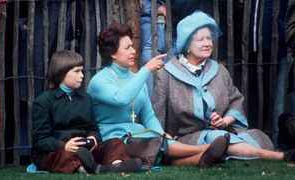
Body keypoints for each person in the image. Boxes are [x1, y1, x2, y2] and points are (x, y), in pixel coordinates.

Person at [152, 11, 295, 161]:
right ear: (187, 44)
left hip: (225, 131)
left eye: (209, 38)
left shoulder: (219, 70)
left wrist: (224, 120)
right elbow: (157, 115)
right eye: (201, 39)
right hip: (188, 139)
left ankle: (228, 152)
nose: (207, 43)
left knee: (259, 137)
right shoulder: (167, 75)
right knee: (219, 137)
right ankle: (280, 156)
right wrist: (163, 145)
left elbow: (236, 99)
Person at [87, 22, 230, 168]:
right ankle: (206, 149)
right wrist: (146, 70)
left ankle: (203, 158)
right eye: (127, 47)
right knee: (160, 145)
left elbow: (148, 115)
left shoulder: (135, 78)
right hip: (113, 141)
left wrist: (160, 133)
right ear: (112, 53)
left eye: (132, 46)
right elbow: (122, 98)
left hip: (139, 136)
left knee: (161, 144)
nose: (133, 51)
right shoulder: (99, 81)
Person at [31, 50, 142, 174]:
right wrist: (63, 145)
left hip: (86, 151)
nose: (82, 75)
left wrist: (93, 138)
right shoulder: (43, 101)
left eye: (82, 71)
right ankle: (88, 168)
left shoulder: (86, 99)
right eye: (77, 71)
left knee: (115, 143)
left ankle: (116, 165)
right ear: (62, 72)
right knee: (65, 157)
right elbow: (40, 139)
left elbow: (92, 127)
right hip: (59, 151)